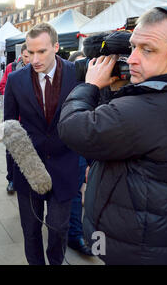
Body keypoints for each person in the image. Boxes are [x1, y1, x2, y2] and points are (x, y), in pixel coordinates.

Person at [58, 6, 167, 265]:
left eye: (148, 50)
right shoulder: (154, 98)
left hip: (139, 249)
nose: (132, 59)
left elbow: (74, 128)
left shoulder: (151, 107)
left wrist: (89, 86)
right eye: (133, 47)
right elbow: (120, 137)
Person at [4, 22, 79, 265]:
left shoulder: (76, 73)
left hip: (65, 165)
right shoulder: (15, 80)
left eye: (42, 52)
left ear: (56, 47)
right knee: (31, 231)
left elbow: (88, 119)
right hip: (29, 167)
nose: (34, 59)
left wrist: (88, 162)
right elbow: (9, 127)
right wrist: (12, 172)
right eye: (30, 52)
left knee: (58, 228)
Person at [65, 50, 93, 257]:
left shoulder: (95, 88)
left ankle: (75, 234)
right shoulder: (67, 84)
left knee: (76, 192)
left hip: (81, 149)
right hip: (63, 146)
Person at [0, 44, 30, 195]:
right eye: (26, 56)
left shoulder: (38, 68)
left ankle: (25, 179)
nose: (29, 59)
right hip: (14, 118)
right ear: (22, 55)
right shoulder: (12, 68)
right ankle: (11, 179)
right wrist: (15, 92)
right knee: (11, 150)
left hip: (31, 120)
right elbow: (2, 86)